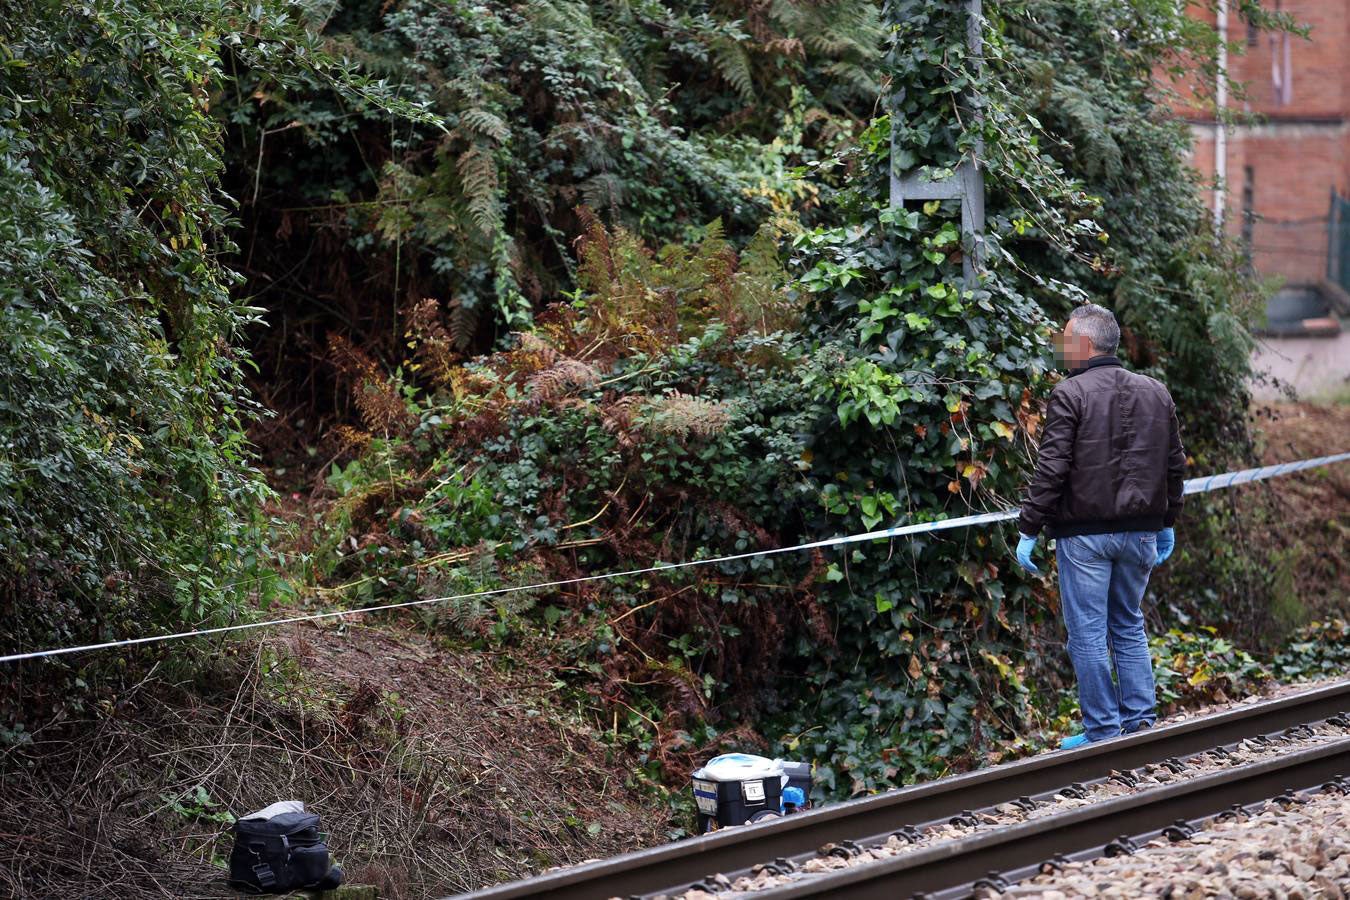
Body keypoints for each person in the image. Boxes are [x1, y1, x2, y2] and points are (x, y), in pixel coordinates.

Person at [1014, 304, 1187, 749]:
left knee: (1088, 634)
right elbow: (1174, 465)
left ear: (1085, 345)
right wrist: (1167, 520)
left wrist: (1029, 528)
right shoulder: (1156, 392)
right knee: (1128, 623)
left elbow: (1052, 468)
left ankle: (1103, 733)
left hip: (1084, 536)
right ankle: (1140, 724)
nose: (1060, 348)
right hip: (1141, 532)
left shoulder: (1069, 393)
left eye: (1065, 339)